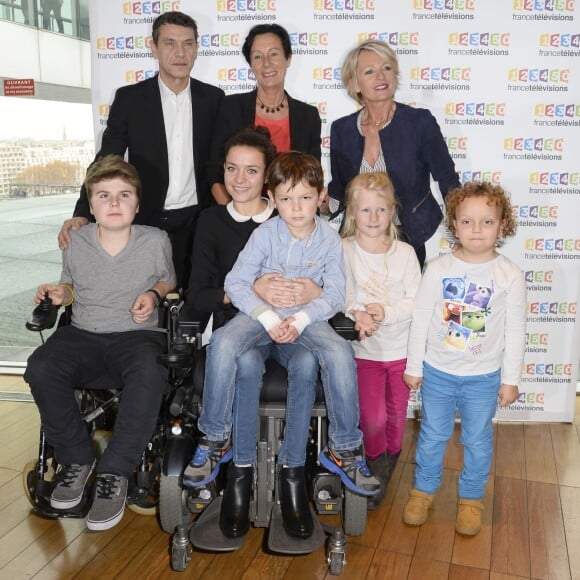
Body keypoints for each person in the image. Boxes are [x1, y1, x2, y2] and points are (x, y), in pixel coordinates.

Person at [201, 151, 380, 536]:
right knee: (223, 343)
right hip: (259, 315)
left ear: (320, 196)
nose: (295, 208)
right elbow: (235, 283)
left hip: (304, 321)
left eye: (304, 198)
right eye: (285, 198)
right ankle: (215, 439)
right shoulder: (264, 234)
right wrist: (267, 315)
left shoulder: (330, 241)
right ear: (272, 197)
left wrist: (299, 318)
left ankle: (343, 449)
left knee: (335, 351)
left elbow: (334, 294)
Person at [182, 129, 323, 540]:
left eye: (251, 170)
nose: (239, 178)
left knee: (309, 360)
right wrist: (245, 290)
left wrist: (312, 293)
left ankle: (293, 475)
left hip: (292, 331)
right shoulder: (210, 221)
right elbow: (197, 293)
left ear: (268, 178)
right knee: (243, 361)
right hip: (241, 329)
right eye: (231, 168)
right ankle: (238, 477)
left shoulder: (290, 216)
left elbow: (322, 278)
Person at [24, 156, 176, 532]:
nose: (113, 203)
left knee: (151, 370)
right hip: (84, 334)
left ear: (137, 204)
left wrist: (154, 295)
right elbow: (71, 287)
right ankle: (76, 458)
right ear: (89, 205)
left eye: (124, 195)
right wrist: (61, 293)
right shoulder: (75, 240)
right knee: (41, 367)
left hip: (137, 336)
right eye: (103, 196)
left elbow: (168, 279)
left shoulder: (155, 240)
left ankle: (116, 470)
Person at [58, 11, 224, 289]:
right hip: (146, 219)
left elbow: (219, 162)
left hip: (198, 221)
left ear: (197, 47)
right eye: (170, 43)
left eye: (188, 43)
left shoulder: (214, 99)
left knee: (189, 304)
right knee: (144, 298)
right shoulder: (130, 99)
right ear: (154, 47)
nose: (180, 52)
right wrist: (82, 212)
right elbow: (105, 161)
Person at [401, 182, 526, 536]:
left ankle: (471, 499)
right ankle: (422, 491)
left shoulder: (509, 275)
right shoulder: (439, 268)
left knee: (477, 440)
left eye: (487, 222)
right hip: (438, 372)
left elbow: (515, 331)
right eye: (467, 221)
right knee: (432, 436)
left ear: (502, 226)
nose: (476, 229)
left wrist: (510, 379)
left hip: (483, 378)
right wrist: (414, 366)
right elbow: (421, 319)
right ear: (454, 224)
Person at [328, 39, 460, 268]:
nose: (381, 77)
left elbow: (448, 180)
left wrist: (461, 230)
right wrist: (318, 204)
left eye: (387, 68)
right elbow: (339, 191)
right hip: (356, 242)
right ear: (355, 84)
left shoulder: (419, 122)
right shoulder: (342, 129)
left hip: (407, 239)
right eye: (369, 71)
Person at [341, 172, 421, 510]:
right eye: (365, 210)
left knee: (395, 416)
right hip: (365, 353)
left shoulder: (405, 253)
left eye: (381, 210)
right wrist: (360, 314)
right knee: (371, 418)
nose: (373, 218)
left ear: (392, 212)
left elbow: (416, 302)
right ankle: (374, 465)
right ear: (351, 213)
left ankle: (386, 469)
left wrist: (383, 311)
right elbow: (342, 297)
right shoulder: (343, 250)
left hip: (401, 351)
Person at [208, 23, 321, 205]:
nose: (266, 63)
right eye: (258, 57)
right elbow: (214, 172)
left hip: (291, 215)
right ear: (251, 64)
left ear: (288, 58)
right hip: (239, 213)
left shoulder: (308, 116)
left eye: (274, 54)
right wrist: (232, 214)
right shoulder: (230, 107)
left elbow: (313, 176)